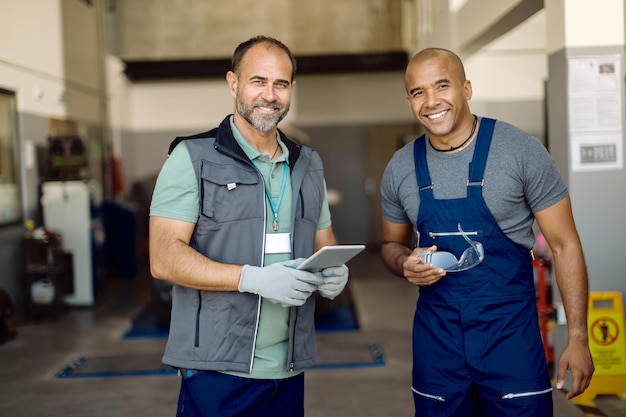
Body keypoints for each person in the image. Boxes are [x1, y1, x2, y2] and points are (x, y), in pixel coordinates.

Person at [380, 48, 594, 416]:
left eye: (442, 85)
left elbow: (564, 244)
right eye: (418, 92)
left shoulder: (519, 151)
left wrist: (577, 338)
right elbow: (390, 245)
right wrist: (404, 264)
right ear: (409, 100)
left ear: (466, 88)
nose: (431, 101)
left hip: (511, 343)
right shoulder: (401, 168)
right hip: (438, 346)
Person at [149, 35, 348, 417]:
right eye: (258, 81)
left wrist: (334, 273)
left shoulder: (308, 165)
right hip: (216, 369)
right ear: (233, 83)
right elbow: (164, 258)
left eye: (281, 84)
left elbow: (325, 242)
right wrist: (252, 279)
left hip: (288, 368)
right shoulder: (193, 158)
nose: (269, 95)